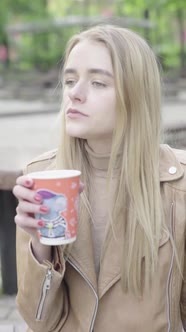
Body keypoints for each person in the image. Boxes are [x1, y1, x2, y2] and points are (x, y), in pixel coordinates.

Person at [13, 24, 186, 332]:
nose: (74, 94)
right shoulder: (41, 177)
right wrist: (40, 249)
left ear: (136, 94)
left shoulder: (179, 186)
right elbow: (39, 320)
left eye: (97, 83)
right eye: (69, 80)